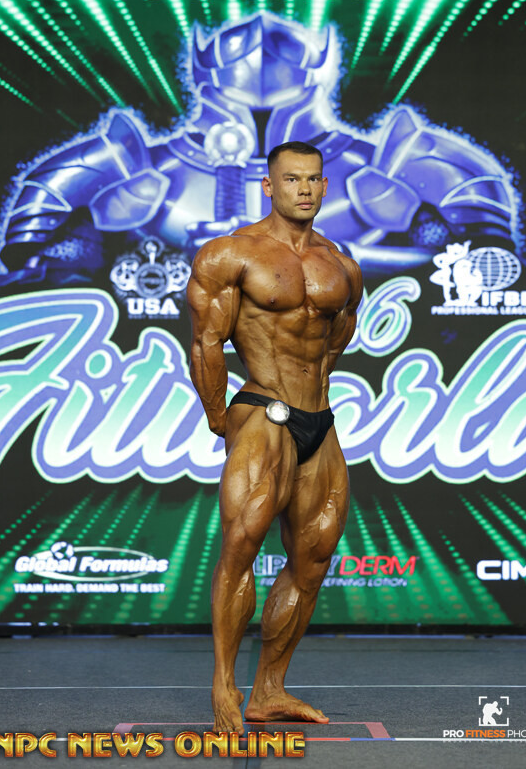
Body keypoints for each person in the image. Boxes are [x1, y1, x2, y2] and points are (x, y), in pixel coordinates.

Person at [186, 140, 363, 734]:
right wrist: (222, 419)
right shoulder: (230, 254)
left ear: (325, 185)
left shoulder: (341, 265)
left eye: (313, 180)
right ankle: (224, 685)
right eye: (292, 180)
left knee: (314, 558)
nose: (304, 189)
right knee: (242, 546)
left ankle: (269, 690)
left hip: (320, 418)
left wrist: (313, 389)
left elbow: (336, 339)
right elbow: (206, 343)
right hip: (264, 408)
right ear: (269, 185)